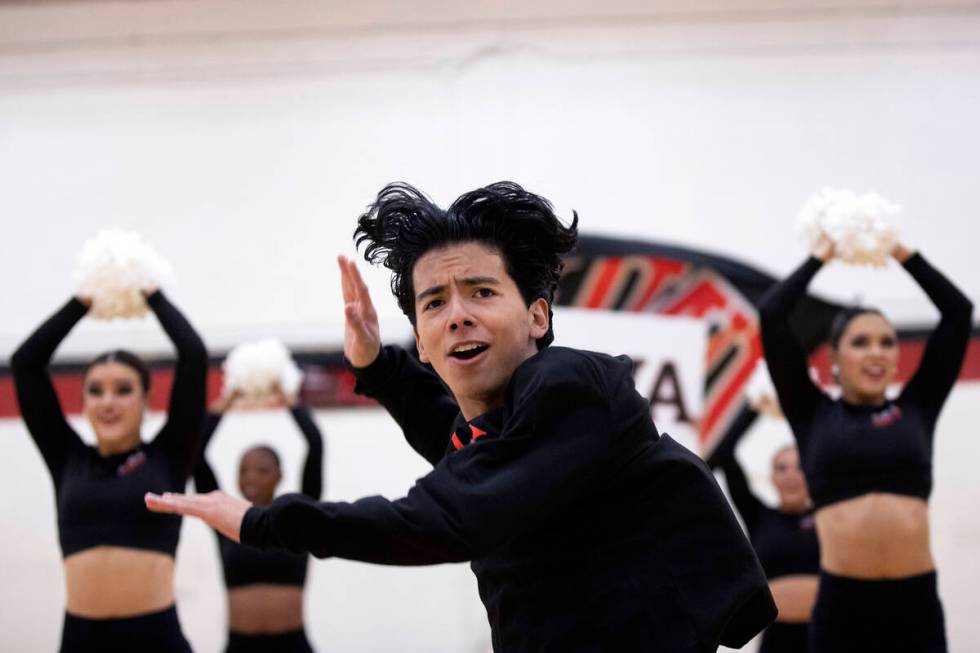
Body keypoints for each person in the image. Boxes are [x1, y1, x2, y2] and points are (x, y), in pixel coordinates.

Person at [147, 181, 776, 653]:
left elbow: (446, 515)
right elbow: (454, 435)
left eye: (481, 291)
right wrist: (373, 363)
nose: (457, 314)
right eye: (435, 302)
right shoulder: (499, 428)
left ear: (537, 316)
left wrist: (266, 523)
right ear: (422, 341)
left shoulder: (572, 386)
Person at [757, 235, 973, 653]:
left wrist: (900, 253)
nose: (877, 352)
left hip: (916, 604)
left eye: (887, 342)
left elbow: (958, 311)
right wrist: (823, 255)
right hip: (843, 605)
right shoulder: (810, 411)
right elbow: (772, 313)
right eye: (861, 342)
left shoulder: (918, 405)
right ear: (835, 359)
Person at [11, 288, 206, 652]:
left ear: (147, 400)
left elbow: (194, 356)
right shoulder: (66, 456)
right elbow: (26, 363)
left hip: (157, 638)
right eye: (96, 391)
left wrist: (150, 293)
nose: (108, 402)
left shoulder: (170, 453)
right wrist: (82, 301)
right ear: (83, 402)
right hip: (81, 639)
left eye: (123, 390)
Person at [193, 385, 324, 653]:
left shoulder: (298, 520)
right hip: (241, 644)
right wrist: (223, 405)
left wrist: (290, 402)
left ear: (280, 475)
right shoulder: (225, 520)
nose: (251, 477)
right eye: (243, 471)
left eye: (262, 470)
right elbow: (196, 455)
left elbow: (315, 444)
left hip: (292, 644)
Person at [709, 407, 819, 653]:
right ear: (772, 476)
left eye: (799, 467)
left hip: (826, 638)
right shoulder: (759, 515)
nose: (791, 475)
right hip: (777, 642)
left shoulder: (830, 516)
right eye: (782, 468)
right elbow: (722, 454)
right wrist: (751, 409)